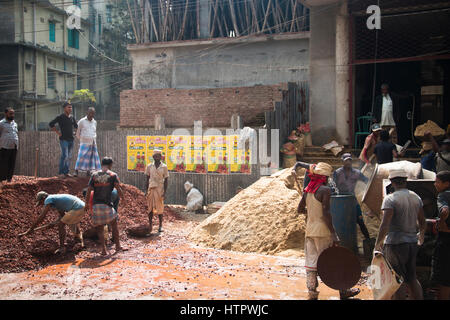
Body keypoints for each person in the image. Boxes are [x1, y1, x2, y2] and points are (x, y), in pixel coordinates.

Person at [293, 161, 360, 300]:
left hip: (310, 231)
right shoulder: (325, 190)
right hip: (323, 231)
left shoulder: (307, 190)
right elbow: (326, 214)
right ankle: (343, 291)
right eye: (328, 178)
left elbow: (300, 209)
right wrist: (334, 233)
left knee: (311, 264)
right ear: (324, 177)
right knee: (333, 260)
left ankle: (312, 292)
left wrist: (310, 212)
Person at [374, 169, 426, 300]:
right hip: (412, 242)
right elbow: (422, 221)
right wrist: (421, 236)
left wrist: (377, 244)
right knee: (412, 277)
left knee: (397, 279)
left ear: (391, 182)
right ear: (405, 181)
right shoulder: (416, 197)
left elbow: (385, 224)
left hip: (395, 243)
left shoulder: (390, 199)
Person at [18, 191, 85, 254]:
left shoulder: (48, 199)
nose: (42, 204)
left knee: (61, 225)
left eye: (41, 202)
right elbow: (62, 215)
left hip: (77, 208)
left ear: (43, 198)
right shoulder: (56, 200)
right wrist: (52, 224)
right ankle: (79, 240)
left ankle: (62, 248)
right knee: (69, 221)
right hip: (81, 206)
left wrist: (31, 228)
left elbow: (42, 216)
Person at [85, 157, 126, 255]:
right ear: (110, 165)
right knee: (114, 224)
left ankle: (103, 250)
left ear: (101, 164)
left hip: (96, 205)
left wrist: (86, 204)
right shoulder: (113, 175)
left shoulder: (94, 175)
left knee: (100, 228)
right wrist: (123, 198)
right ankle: (117, 247)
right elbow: (118, 189)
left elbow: (89, 190)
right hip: (107, 205)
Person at [332, 153, 371, 241]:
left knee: (360, 221)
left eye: (349, 160)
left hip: (352, 199)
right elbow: (333, 186)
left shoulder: (357, 173)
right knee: (340, 222)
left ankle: (368, 241)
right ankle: (340, 241)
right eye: (346, 161)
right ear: (342, 162)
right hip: (340, 200)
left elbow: (367, 181)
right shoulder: (337, 173)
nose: (348, 162)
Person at [431, 171, 450, 300]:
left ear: (446, 183)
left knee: (444, 277)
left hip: (446, 240)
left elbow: (444, 210)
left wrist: (442, 224)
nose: (435, 184)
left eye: (437, 182)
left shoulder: (443, 195)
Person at [49, 102, 78, 177]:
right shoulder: (60, 117)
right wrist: (58, 132)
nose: (70, 109)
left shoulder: (72, 117)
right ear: (64, 108)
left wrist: (75, 133)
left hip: (71, 139)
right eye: (69, 107)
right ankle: (61, 173)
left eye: (71, 107)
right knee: (64, 155)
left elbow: (76, 126)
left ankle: (66, 172)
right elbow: (51, 124)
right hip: (63, 139)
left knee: (69, 156)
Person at [145, 149, 169, 234]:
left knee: (160, 207)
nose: (157, 157)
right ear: (153, 157)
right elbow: (147, 179)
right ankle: (150, 224)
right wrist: (146, 190)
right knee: (150, 207)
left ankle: (160, 225)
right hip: (151, 188)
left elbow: (166, 180)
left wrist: (165, 192)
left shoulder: (164, 167)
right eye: (155, 156)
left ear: (161, 157)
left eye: (158, 156)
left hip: (160, 188)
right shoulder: (149, 166)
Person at [75, 107, 101, 177]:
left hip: (93, 142)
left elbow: (94, 131)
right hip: (84, 142)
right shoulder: (81, 121)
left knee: (91, 158)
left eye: (93, 113)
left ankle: (88, 172)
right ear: (87, 113)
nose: (91, 114)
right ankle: (76, 171)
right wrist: (81, 139)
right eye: (90, 113)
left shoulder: (94, 122)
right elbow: (77, 132)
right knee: (81, 156)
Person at [0, 107, 19, 183]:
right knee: (4, 164)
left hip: (14, 146)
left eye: (13, 113)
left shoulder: (14, 123)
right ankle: (2, 179)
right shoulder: (1, 123)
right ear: (6, 114)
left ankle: (9, 179)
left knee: (12, 163)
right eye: (10, 113)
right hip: (4, 146)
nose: (12, 115)